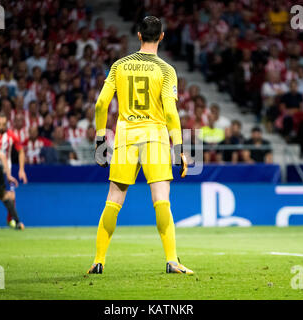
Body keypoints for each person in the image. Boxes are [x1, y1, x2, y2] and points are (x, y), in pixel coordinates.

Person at [88, 16, 193, 275]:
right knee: (161, 201)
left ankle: (98, 261)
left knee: (113, 199)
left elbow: (101, 104)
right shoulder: (166, 70)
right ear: (161, 36)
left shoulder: (119, 66)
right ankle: (171, 261)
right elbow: (170, 112)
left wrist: (101, 137)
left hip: (125, 136)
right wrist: (179, 147)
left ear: (138, 35)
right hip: (155, 136)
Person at [0, 113, 28, 226]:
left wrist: (21, 170)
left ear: (7, 123)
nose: (2, 126)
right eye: (0, 124)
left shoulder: (12, 136)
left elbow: (21, 151)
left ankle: (11, 220)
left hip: (5, 171)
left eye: (4, 124)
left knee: (11, 196)